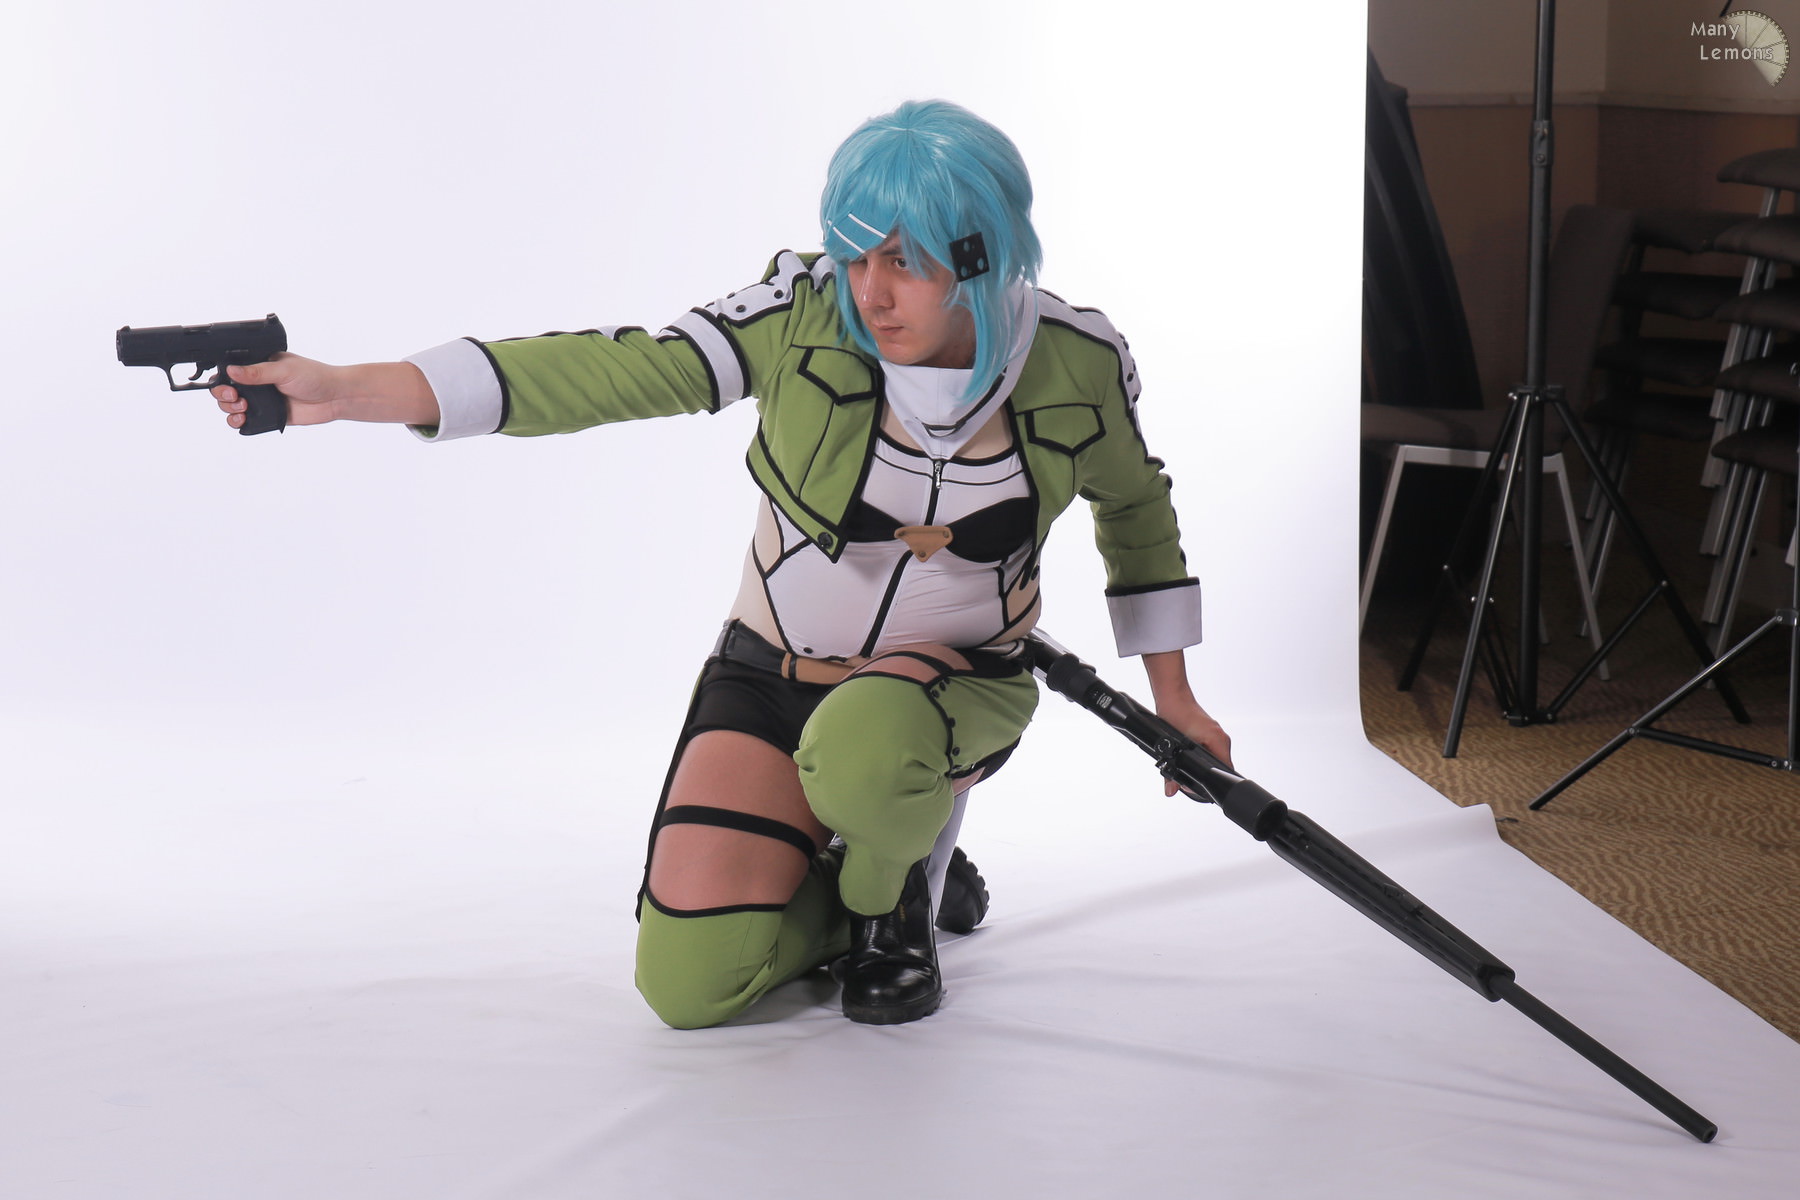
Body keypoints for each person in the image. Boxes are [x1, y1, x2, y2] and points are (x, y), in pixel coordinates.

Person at [211, 99, 1230, 1029]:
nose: (871, 294)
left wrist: (1175, 700)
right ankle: (894, 866)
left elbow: (1138, 513)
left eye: (906, 263)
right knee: (690, 985)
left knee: (867, 749)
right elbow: (618, 368)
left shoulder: (1075, 361)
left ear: (981, 255)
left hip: (950, 690)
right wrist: (348, 389)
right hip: (772, 674)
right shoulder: (802, 313)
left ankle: (892, 899)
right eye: (856, 257)